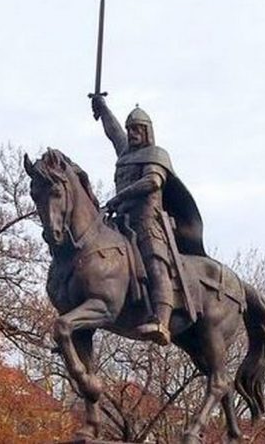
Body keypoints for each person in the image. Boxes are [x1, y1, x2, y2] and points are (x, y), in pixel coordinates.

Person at [91, 95, 206, 345]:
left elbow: (152, 181)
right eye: (130, 129)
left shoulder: (155, 155)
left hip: (148, 222)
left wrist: (119, 196)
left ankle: (162, 321)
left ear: (147, 132)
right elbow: (113, 132)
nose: (132, 133)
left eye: (137, 129)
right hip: (121, 222)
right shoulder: (126, 153)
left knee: (155, 263)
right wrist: (103, 108)